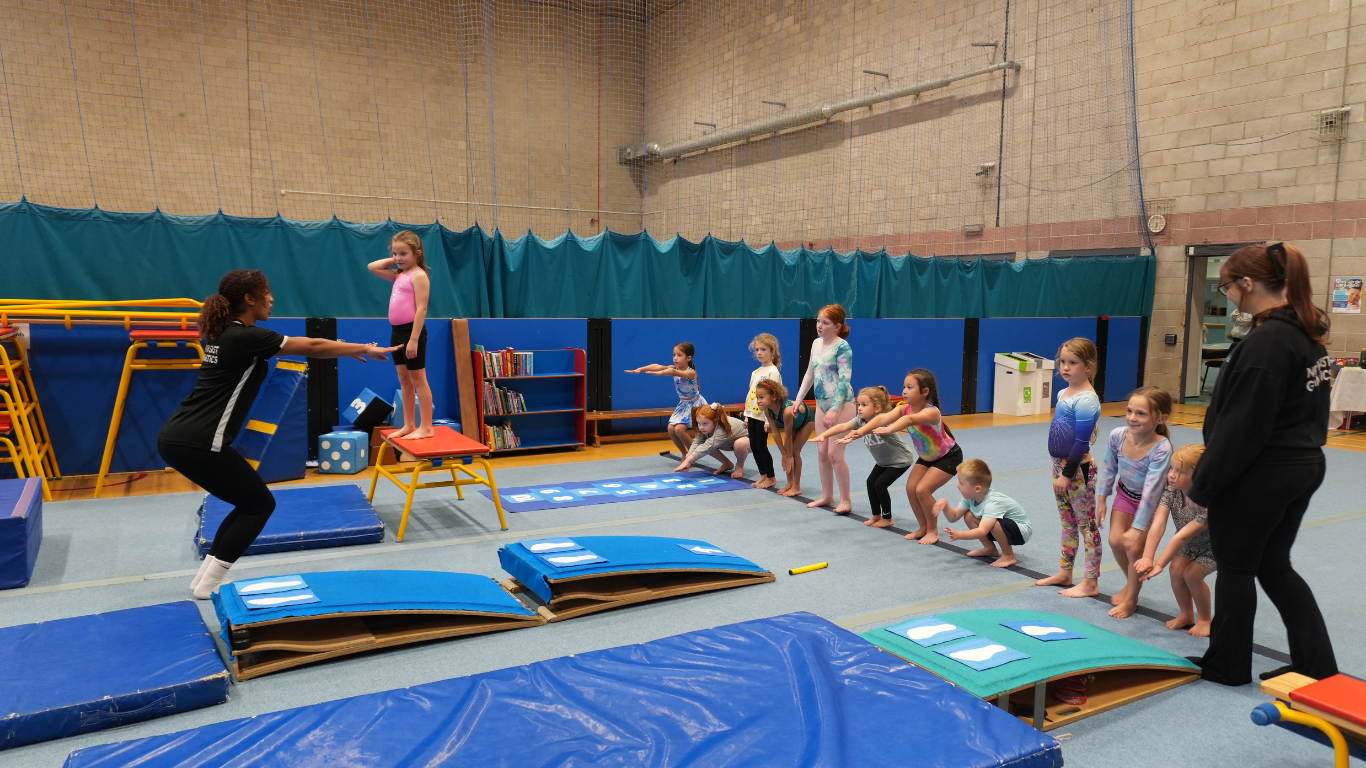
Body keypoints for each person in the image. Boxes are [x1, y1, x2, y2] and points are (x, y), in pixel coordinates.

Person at [159, 270, 398, 600]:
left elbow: (309, 347)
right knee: (259, 505)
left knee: (248, 503)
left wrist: (343, 347)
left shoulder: (225, 334)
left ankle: (204, 580)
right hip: (200, 441)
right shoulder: (244, 337)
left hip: (180, 437)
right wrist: (364, 348)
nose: (272, 298)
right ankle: (210, 584)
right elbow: (311, 344)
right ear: (249, 299)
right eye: (266, 292)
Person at [1186, 242, 1337, 686]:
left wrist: (1205, 487)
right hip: (1302, 463)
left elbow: (1243, 427)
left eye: (1228, 286)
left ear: (1248, 284)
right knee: (1273, 563)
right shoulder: (1305, 335)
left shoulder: (1269, 340)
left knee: (1235, 566)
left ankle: (1227, 664)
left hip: (1263, 472)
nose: (1227, 295)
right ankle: (1316, 664)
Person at [847, 369, 963, 545]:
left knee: (922, 490)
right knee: (911, 489)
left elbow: (909, 420)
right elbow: (882, 418)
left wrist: (890, 429)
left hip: (948, 456)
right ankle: (923, 527)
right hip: (927, 457)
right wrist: (860, 431)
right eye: (904, 386)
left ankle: (933, 531)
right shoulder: (903, 408)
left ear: (924, 392)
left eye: (910, 387)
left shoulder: (932, 412)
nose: (904, 391)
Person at [1096, 387, 1173, 619]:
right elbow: (1109, 467)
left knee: (1134, 549)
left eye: (1141, 414)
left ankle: (1132, 598)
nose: (1131, 418)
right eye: (1129, 411)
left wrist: (1140, 529)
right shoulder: (1118, 435)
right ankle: (1131, 583)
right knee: (1115, 541)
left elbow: (1151, 491)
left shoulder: (1161, 448)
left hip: (1148, 504)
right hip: (1125, 494)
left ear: (1161, 418)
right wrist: (1102, 499)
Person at [1037, 338, 1104, 598]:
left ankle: (1091, 581)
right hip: (1059, 466)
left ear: (1088, 367)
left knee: (1086, 525)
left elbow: (1081, 441)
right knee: (1067, 523)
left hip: (1078, 470)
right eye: (1062, 361)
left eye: (1072, 363)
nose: (1065, 367)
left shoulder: (1087, 400)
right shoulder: (1063, 393)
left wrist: (1066, 475)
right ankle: (1065, 572)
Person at [1137, 443, 1216, 638]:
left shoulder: (1207, 503)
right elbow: (1159, 523)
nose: (1172, 474)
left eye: (1180, 471)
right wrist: (1148, 557)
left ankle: (1205, 619)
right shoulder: (1172, 490)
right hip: (1190, 545)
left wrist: (1159, 565)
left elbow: (1181, 536)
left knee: (1192, 575)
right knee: (1176, 569)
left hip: (1215, 548)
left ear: (1198, 477)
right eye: (1171, 468)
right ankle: (1187, 614)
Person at [814, 386, 914, 527]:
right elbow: (843, 426)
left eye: (864, 405)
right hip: (883, 461)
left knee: (880, 484)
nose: (859, 408)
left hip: (900, 460)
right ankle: (876, 515)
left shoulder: (881, 419)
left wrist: (854, 434)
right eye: (859, 405)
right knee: (870, 483)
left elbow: (864, 430)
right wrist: (824, 434)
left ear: (878, 408)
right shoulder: (860, 420)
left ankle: (887, 517)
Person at [367, 230, 434, 440]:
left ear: (417, 253)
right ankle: (409, 424)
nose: (398, 258)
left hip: (411, 332)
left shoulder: (419, 276)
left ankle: (427, 427)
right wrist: (398, 258)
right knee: (404, 379)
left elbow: (421, 309)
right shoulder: (398, 274)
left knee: (418, 379)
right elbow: (372, 267)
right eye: (395, 253)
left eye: (403, 253)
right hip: (396, 332)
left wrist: (413, 339)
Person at [792, 305, 855, 513]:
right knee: (821, 453)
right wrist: (799, 399)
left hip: (842, 404)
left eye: (825, 323)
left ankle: (845, 499)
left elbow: (845, 380)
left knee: (835, 454)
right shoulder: (816, 344)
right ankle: (827, 496)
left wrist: (835, 409)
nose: (819, 326)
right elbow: (810, 373)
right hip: (822, 404)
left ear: (837, 326)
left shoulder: (843, 347)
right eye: (818, 321)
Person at [936, 458, 1032, 568]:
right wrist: (945, 506)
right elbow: (954, 517)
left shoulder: (993, 503)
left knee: (994, 524)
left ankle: (1008, 555)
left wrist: (959, 535)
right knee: (969, 516)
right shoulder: (970, 497)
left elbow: (982, 531)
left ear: (977, 489)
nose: (957, 486)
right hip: (1003, 528)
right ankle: (990, 548)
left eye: (961, 483)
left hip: (1021, 531)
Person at [626, 341, 704, 457]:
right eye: (674, 355)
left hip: (695, 404)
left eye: (679, 355)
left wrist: (660, 373)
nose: (675, 358)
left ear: (688, 358)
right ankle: (684, 453)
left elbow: (672, 372)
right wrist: (640, 369)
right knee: (671, 429)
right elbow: (656, 366)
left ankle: (693, 455)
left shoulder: (691, 372)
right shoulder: (674, 367)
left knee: (679, 430)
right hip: (684, 404)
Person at [753, 379, 816, 497]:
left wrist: (789, 456)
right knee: (787, 452)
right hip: (794, 422)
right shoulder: (768, 411)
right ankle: (790, 483)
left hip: (807, 420)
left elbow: (788, 435)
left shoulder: (787, 411)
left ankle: (796, 486)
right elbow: (775, 433)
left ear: (774, 397)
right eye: (757, 398)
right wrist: (783, 454)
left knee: (795, 452)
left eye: (761, 397)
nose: (758, 401)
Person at [740, 334, 783, 489]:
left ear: (772, 352)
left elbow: (774, 398)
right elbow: (750, 395)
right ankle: (763, 474)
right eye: (757, 349)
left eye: (763, 349)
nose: (759, 353)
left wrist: (768, 420)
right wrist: (746, 415)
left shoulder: (773, 372)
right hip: (752, 414)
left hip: (763, 416)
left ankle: (771, 476)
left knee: (762, 446)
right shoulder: (755, 372)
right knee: (754, 445)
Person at [672, 402, 749, 475]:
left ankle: (740, 466)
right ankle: (727, 463)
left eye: (705, 423)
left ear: (715, 421)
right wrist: (688, 461)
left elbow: (709, 445)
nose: (701, 427)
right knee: (705, 445)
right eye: (699, 423)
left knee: (738, 444)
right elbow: (697, 443)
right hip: (728, 443)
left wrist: (688, 460)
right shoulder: (703, 426)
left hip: (748, 442)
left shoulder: (723, 427)